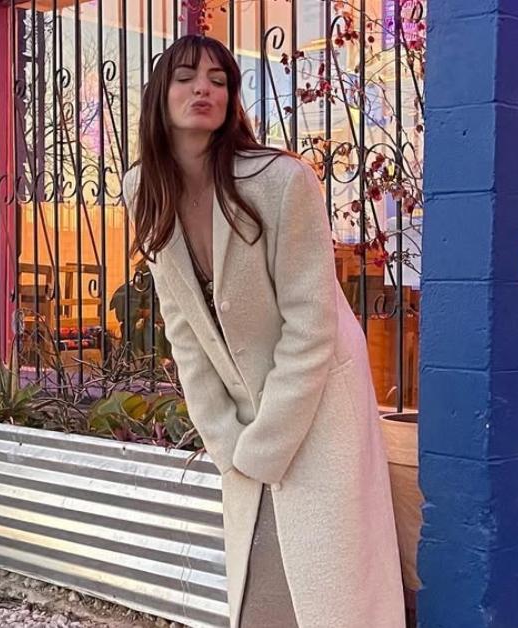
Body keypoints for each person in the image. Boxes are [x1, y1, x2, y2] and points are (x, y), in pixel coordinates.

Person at [121, 35, 405, 628]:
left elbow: (311, 323)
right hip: (243, 410)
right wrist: (223, 437)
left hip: (320, 393)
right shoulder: (140, 187)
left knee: (328, 579)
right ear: (158, 94)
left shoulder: (281, 180)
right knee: (257, 576)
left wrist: (262, 443)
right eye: (186, 76)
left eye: (219, 80)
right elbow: (183, 327)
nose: (204, 88)